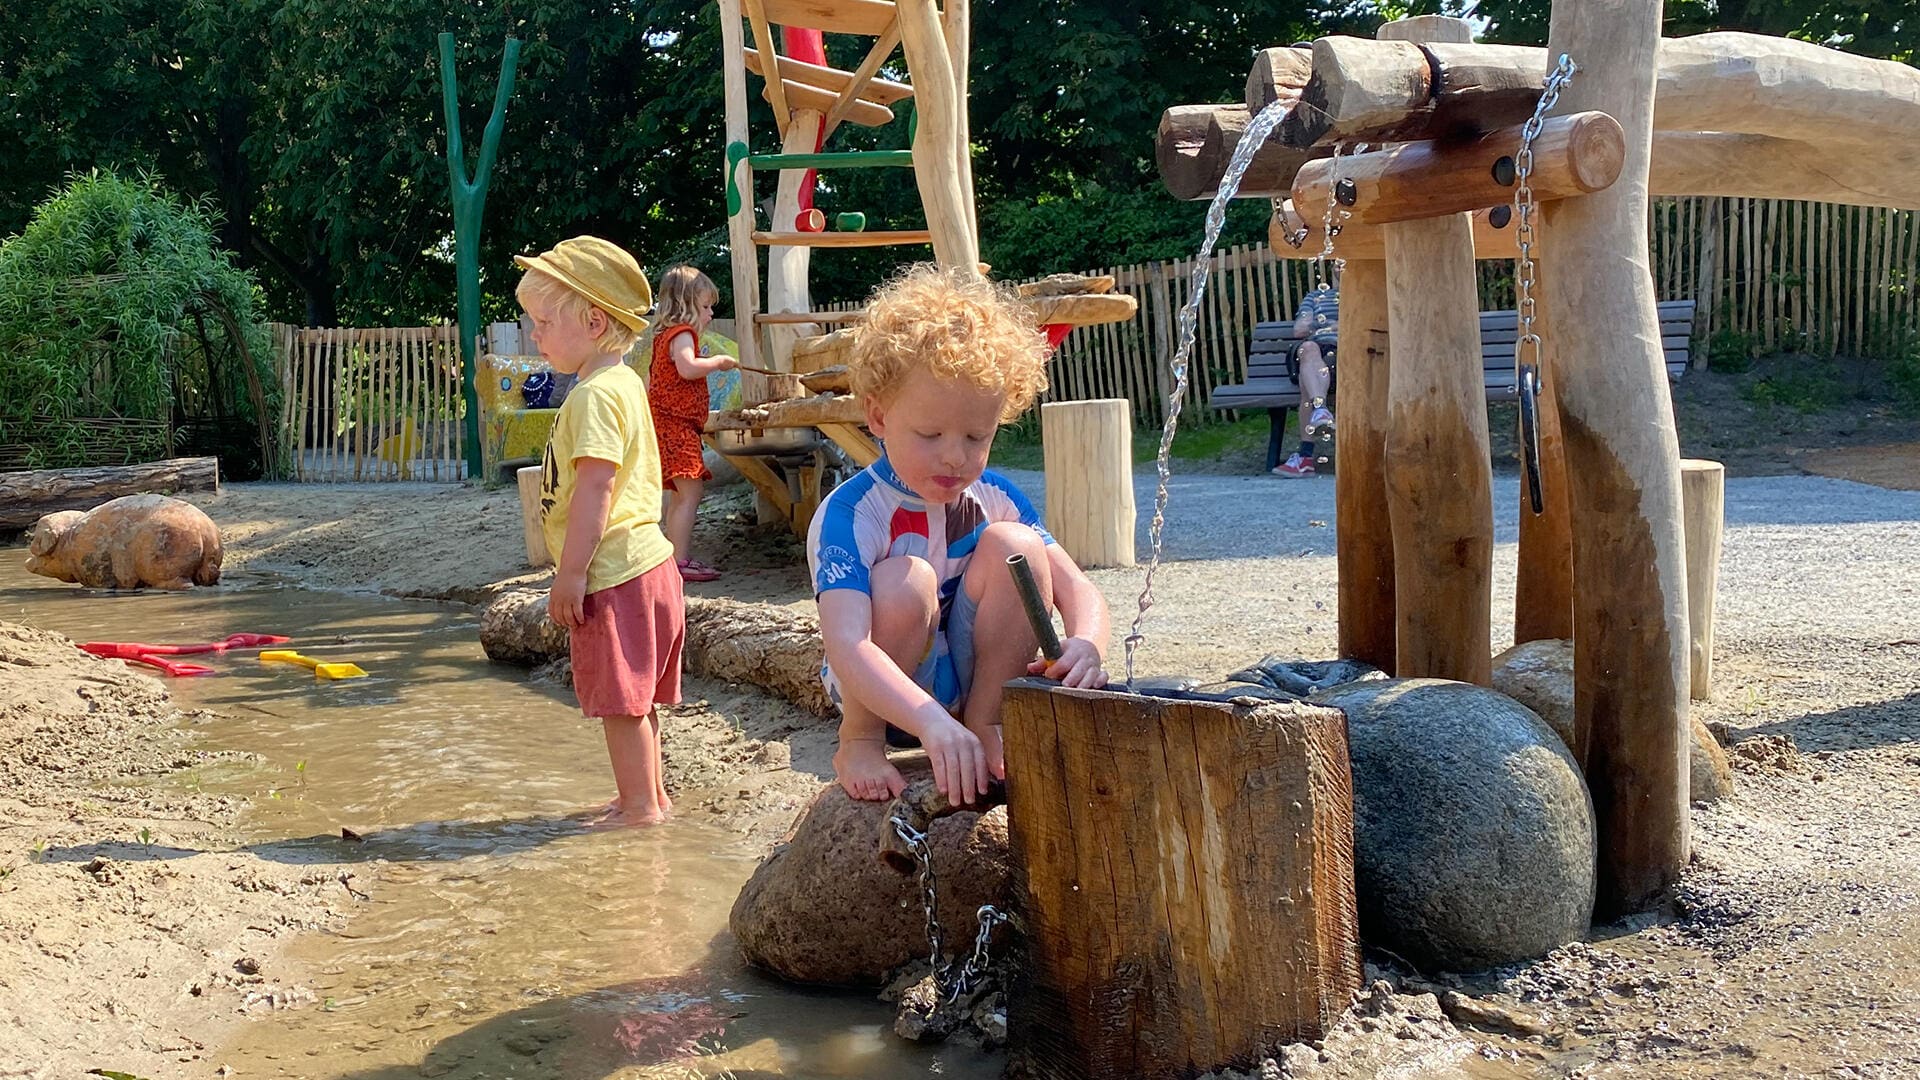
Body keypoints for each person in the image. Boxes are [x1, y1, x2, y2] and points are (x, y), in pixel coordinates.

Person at [807, 265, 1113, 805]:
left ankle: (987, 723)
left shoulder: (994, 497)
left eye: (977, 436)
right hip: (884, 696)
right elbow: (847, 645)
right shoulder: (852, 513)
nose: (955, 455)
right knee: (907, 580)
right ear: (877, 416)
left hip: (968, 687)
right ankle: (858, 741)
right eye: (930, 434)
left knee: (1016, 545)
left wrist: (1086, 644)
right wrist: (925, 719)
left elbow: (1079, 589)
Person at [515, 236, 682, 826]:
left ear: (592, 320)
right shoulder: (625, 384)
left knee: (620, 702)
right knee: (639, 699)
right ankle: (650, 795)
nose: (534, 334)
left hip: (614, 573)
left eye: (542, 321)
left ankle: (639, 809)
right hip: (652, 568)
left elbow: (596, 490)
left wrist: (572, 573)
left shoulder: (592, 397)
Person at [646, 265, 738, 582]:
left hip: (667, 422)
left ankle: (673, 558)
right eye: (705, 307)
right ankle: (679, 561)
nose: (710, 314)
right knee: (690, 492)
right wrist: (718, 363)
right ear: (686, 305)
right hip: (676, 425)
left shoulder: (661, 338)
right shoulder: (682, 334)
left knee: (680, 494)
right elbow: (687, 368)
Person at [1275, 271, 1339, 478]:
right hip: (1313, 350)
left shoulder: (1362, 293)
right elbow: (1300, 329)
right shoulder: (1314, 297)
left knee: (1307, 381)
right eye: (1336, 261)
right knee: (1308, 348)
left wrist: (1323, 322)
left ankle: (1305, 457)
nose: (1340, 265)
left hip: (1343, 354)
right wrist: (1329, 323)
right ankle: (1320, 410)